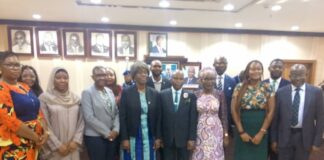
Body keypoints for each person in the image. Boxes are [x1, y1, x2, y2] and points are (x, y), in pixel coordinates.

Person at [0, 52, 48, 159]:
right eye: (10, 65)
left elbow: (38, 112)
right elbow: (10, 121)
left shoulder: (24, 86)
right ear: (1, 66)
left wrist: (45, 132)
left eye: (17, 65)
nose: (15, 68)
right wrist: (36, 137)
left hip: (33, 144)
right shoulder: (1, 88)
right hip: (13, 146)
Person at [271, 64, 324, 160]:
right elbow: (276, 118)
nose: (298, 78)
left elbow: (321, 119)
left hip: (305, 138)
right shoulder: (280, 92)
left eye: (301, 75)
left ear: (306, 75)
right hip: (284, 137)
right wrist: (274, 139)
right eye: (294, 75)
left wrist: (317, 142)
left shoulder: (316, 92)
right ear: (289, 76)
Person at [231, 60, 275, 160]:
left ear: (262, 71)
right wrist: (241, 132)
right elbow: (233, 110)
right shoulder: (239, 87)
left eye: (258, 69)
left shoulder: (267, 87)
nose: (256, 71)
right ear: (247, 71)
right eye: (252, 69)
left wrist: (261, 133)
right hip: (242, 127)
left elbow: (271, 111)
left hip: (261, 128)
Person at [39, 67, 84, 160]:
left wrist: (76, 141)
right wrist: (57, 145)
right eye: (58, 77)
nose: (62, 80)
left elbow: (81, 122)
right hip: (54, 149)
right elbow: (44, 124)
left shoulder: (76, 98)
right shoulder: (44, 98)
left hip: (72, 147)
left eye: (65, 78)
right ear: (52, 79)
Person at [119, 61, 161, 160]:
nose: (144, 75)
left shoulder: (154, 93)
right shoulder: (126, 92)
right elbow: (122, 117)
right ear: (133, 75)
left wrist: (158, 137)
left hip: (150, 135)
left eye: (145, 72)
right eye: (140, 72)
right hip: (134, 135)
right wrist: (124, 138)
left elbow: (159, 117)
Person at [81, 66, 119, 160]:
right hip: (95, 137)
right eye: (98, 75)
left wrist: (116, 130)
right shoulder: (87, 92)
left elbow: (116, 112)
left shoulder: (109, 91)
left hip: (112, 136)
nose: (102, 77)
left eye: (104, 75)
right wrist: (107, 133)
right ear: (93, 77)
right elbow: (89, 117)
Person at [192, 67, 228, 160]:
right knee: (200, 154)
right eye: (206, 79)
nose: (209, 82)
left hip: (216, 130)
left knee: (215, 155)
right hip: (199, 130)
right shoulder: (195, 94)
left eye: (212, 79)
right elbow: (192, 116)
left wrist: (226, 134)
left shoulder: (220, 94)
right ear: (201, 80)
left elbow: (224, 115)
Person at [160, 70, 198, 160]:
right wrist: (159, 136)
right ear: (171, 79)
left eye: (180, 79)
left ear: (184, 80)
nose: (178, 81)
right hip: (167, 137)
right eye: (175, 78)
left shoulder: (190, 96)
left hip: (184, 138)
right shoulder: (162, 94)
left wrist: (191, 138)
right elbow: (159, 118)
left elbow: (193, 119)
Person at [263, 58, 290, 160]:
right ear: (269, 68)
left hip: (280, 128)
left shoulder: (289, 85)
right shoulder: (261, 84)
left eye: (279, 67)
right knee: (262, 155)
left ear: (283, 69)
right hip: (263, 125)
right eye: (274, 67)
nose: (276, 69)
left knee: (277, 155)